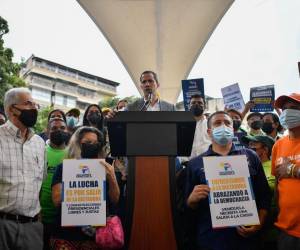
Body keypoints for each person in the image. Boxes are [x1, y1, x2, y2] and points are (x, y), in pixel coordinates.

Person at [185, 111, 271, 250]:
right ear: (209, 131)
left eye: (227, 123)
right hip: (211, 240)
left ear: (232, 129)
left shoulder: (250, 156)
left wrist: (259, 223)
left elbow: (264, 196)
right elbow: (187, 208)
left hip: (246, 239)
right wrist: (191, 200)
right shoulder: (195, 163)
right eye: (217, 123)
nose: (223, 126)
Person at [51, 126, 120, 250]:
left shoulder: (105, 168)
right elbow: (56, 201)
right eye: (87, 142)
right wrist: (77, 187)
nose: (92, 145)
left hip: (97, 235)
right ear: (77, 144)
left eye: (95, 143)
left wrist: (112, 178)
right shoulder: (64, 168)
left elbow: (115, 199)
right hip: (67, 235)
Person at [0, 87, 45, 250]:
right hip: (2, 226)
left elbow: (40, 183)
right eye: (28, 104)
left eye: (35, 105)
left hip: (32, 229)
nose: (34, 108)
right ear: (12, 109)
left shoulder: (39, 143)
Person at [271, 93, 300, 250]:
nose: (287, 112)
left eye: (294, 108)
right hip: (286, 229)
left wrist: (292, 169)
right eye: (284, 109)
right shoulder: (278, 145)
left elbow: (286, 171)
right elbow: (277, 181)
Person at [40, 117, 70, 250]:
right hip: (40, 217)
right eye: (54, 128)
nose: (59, 131)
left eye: (62, 128)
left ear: (68, 130)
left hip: (64, 219)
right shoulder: (40, 152)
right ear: (47, 132)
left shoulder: (73, 154)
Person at [180, 94, 211, 162]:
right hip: (187, 163)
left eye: (200, 103)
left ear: (205, 106)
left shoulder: (210, 123)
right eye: (193, 103)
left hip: (207, 161)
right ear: (189, 106)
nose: (196, 104)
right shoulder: (182, 124)